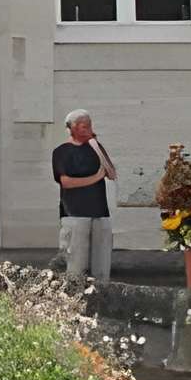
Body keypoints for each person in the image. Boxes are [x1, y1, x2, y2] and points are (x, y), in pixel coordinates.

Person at [51, 108, 116, 284]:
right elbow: (66, 182)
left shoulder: (96, 147)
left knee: (101, 267)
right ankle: (75, 296)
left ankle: (101, 295)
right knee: (76, 266)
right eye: (83, 126)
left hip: (100, 212)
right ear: (71, 128)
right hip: (74, 214)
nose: (87, 129)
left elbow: (111, 174)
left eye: (89, 125)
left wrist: (96, 147)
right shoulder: (61, 151)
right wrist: (96, 177)